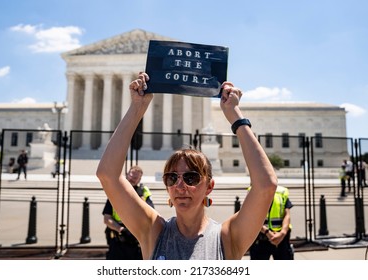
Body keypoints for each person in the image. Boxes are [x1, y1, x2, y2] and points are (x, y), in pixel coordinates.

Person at [96, 72, 277, 260]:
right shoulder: (153, 231)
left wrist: (235, 117)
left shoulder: (227, 237)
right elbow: (108, 175)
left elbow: (266, 186)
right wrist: (137, 108)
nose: (180, 186)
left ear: (209, 186)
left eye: (191, 177)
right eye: (172, 178)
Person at [102, 165, 154, 260]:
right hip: (119, 240)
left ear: (139, 179)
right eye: (131, 176)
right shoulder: (115, 191)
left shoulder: (144, 192)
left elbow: (151, 216)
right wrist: (121, 230)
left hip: (137, 241)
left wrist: (141, 202)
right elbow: (107, 218)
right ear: (126, 175)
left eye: (135, 177)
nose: (132, 179)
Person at [249, 185, 294, 260]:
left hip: (281, 239)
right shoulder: (253, 191)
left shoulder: (282, 191)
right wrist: (267, 232)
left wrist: (282, 233)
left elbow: (287, 215)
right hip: (261, 238)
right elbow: (252, 217)